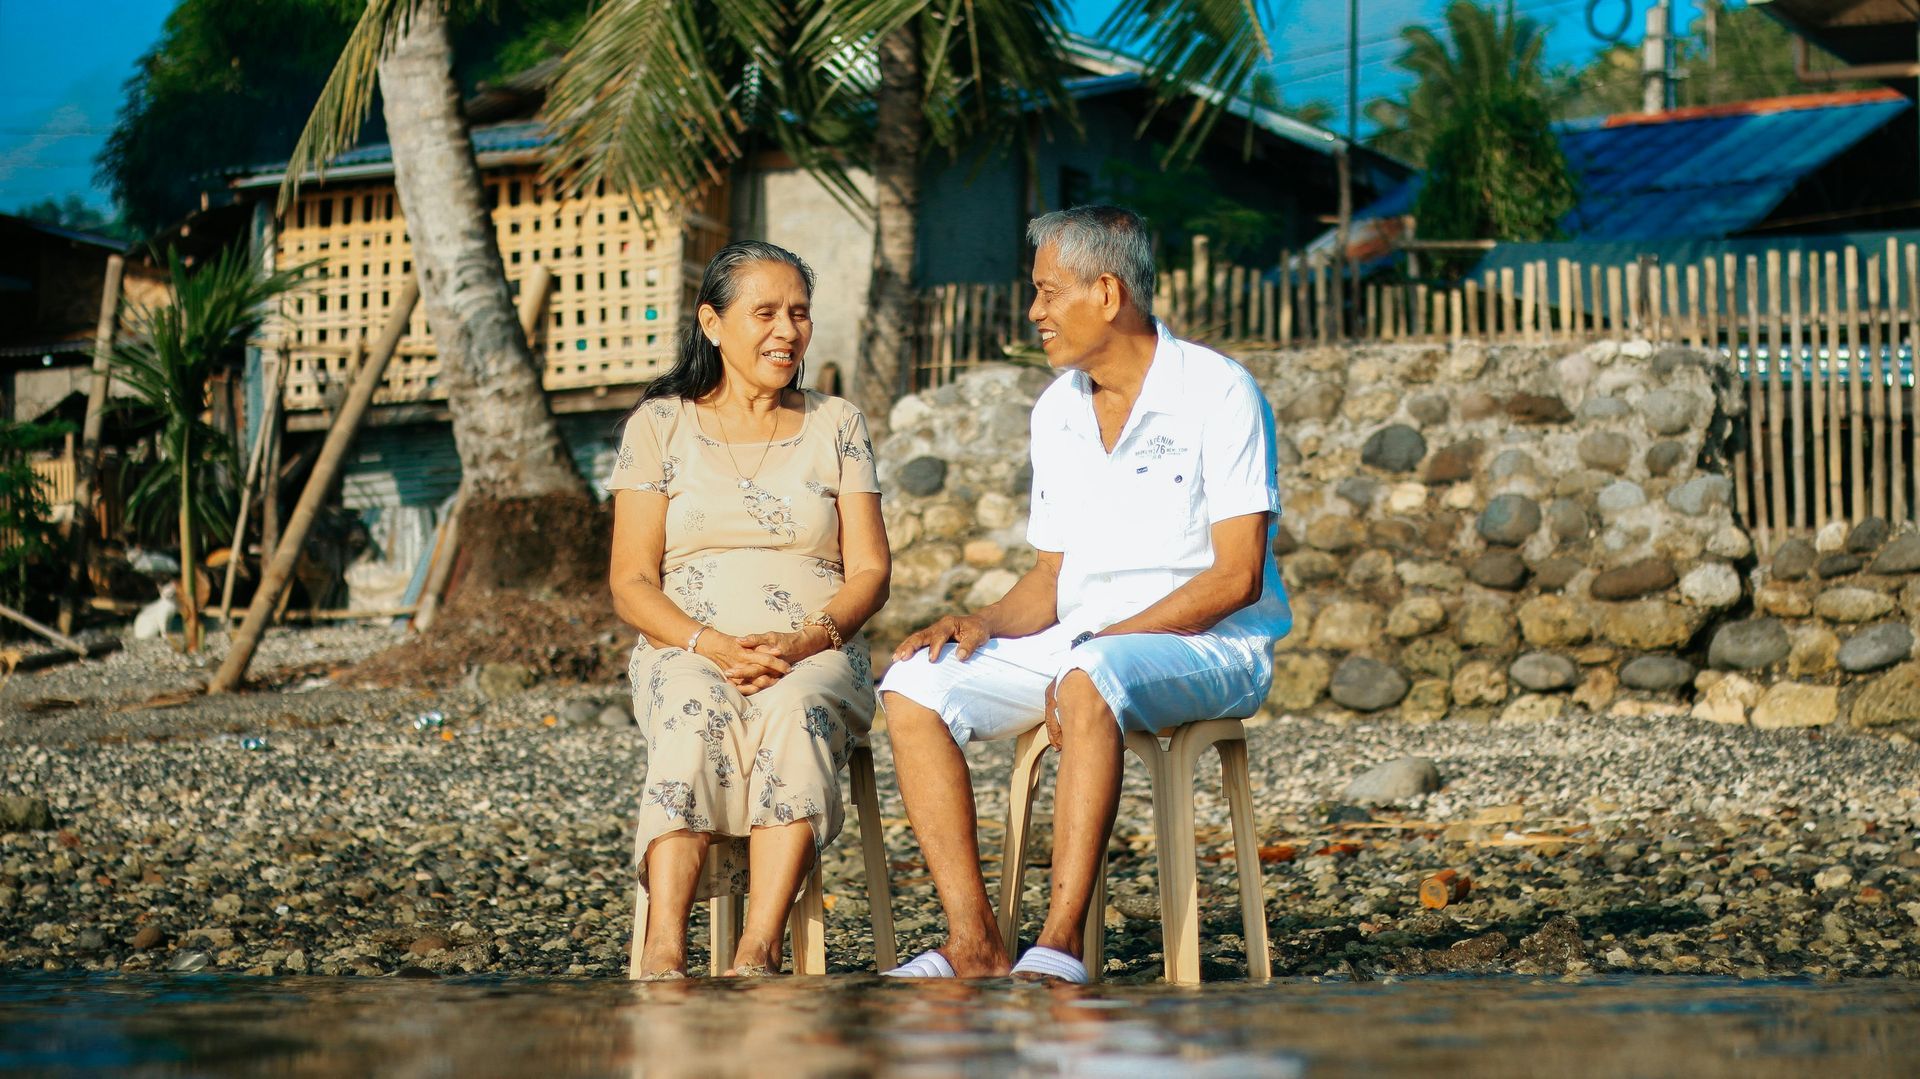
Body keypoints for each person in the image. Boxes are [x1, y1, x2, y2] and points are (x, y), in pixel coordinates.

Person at [878, 205, 1291, 983]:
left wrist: (1099, 647)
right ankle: (975, 940)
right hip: (1085, 642)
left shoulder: (1219, 391)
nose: (1034, 311)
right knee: (913, 684)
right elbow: (1051, 579)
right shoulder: (1057, 409)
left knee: (1089, 673)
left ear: (1106, 293)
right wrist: (980, 620)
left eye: (1047, 291)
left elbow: (1236, 577)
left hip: (1213, 644)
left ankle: (1060, 943)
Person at [607, 240, 889, 979]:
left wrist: (803, 642)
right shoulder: (659, 425)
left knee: (795, 708)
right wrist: (712, 645)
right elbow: (631, 582)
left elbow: (870, 571)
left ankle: (757, 948)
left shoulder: (838, 423)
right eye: (765, 313)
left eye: (799, 313)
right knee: (693, 708)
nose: (787, 331)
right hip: (688, 647)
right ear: (712, 323)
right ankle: (664, 951)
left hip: (815, 650)